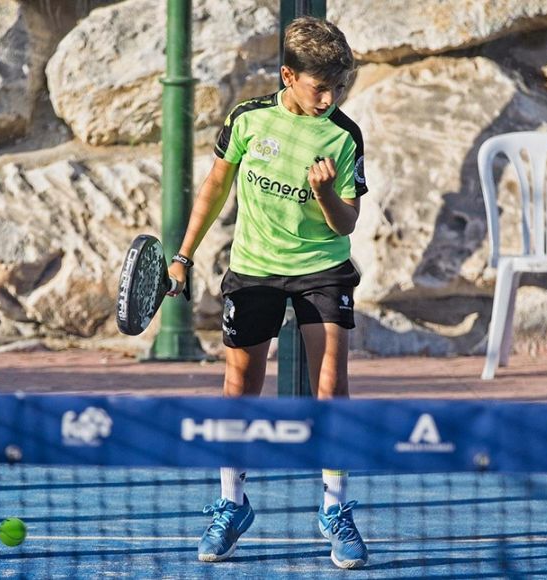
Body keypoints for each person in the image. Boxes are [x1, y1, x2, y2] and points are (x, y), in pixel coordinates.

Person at [167, 16, 369, 569]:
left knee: (331, 387)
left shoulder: (343, 135)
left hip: (322, 270)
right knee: (239, 389)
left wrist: (326, 194)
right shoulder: (249, 120)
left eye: (338, 87)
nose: (330, 97)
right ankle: (232, 504)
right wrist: (183, 256)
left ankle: (336, 509)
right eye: (319, 86)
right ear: (288, 75)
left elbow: (345, 224)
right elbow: (214, 187)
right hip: (254, 268)